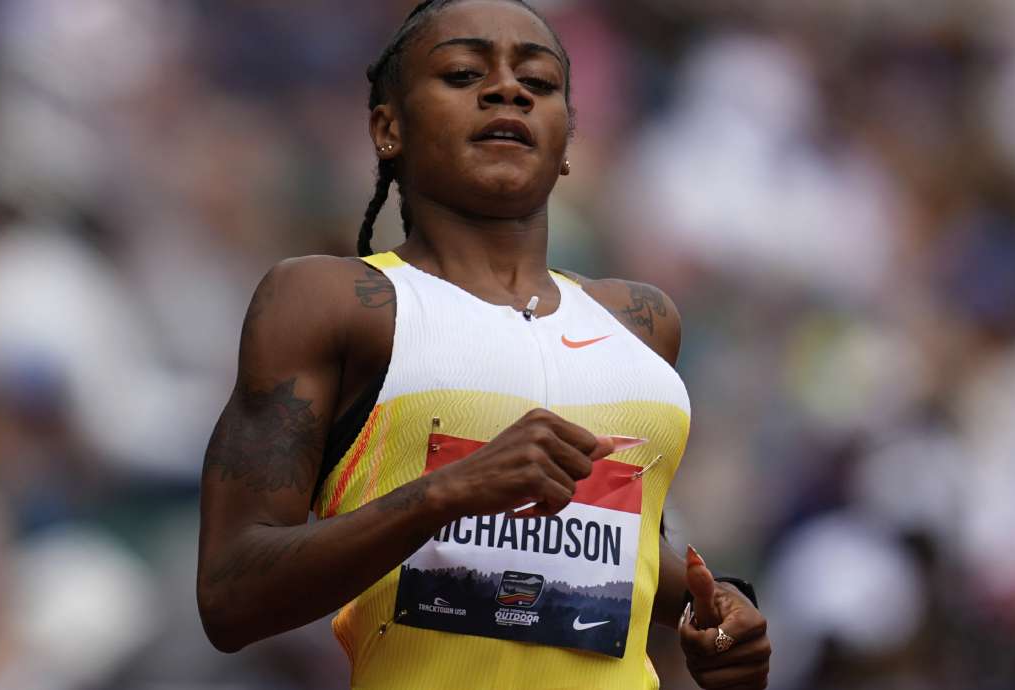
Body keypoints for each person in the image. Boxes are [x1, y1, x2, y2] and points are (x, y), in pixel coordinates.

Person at [196, 1, 771, 688]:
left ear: (566, 139)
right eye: (465, 72)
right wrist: (446, 495)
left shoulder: (642, 322)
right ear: (389, 127)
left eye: (540, 82)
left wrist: (714, 611)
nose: (508, 90)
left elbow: (618, 549)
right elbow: (229, 599)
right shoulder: (332, 303)